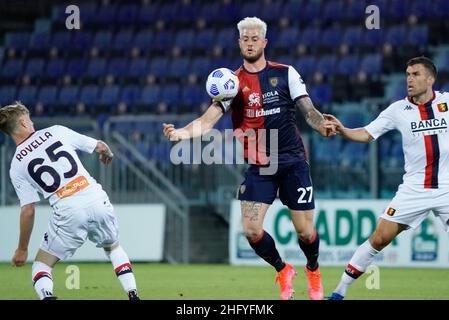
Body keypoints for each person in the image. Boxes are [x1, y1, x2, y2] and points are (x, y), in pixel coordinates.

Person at [163, 17, 336, 300]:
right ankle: (283, 270)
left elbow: (308, 110)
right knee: (252, 230)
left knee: (305, 233)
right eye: (245, 38)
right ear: (239, 42)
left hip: (293, 161)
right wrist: (180, 134)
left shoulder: (286, 73)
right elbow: (207, 122)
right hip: (260, 165)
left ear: (265, 42)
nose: (251, 42)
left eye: (256, 38)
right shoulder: (230, 83)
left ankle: (313, 270)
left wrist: (321, 125)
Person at [325, 56, 449, 300]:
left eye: (415, 74)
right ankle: (339, 292)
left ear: (430, 79)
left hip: (447, 188)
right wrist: (342, 130)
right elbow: (366, 134)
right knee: (379, 238)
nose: (409, 79)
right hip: (413, 190)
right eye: (407, 74)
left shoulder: (447, 103)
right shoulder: (397, 110)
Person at [0, 102, 140, 300]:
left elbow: (28, 210)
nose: (32, 122)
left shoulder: (16, 165)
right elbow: (100, 146)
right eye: (29, 119)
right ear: (23, 123)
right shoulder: (56, 131)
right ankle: (133, 294)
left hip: (67, 209)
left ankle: (47, 297)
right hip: (95, 197)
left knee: (41, 265)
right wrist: (107, 152)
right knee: (113, 247)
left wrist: (22, 249)